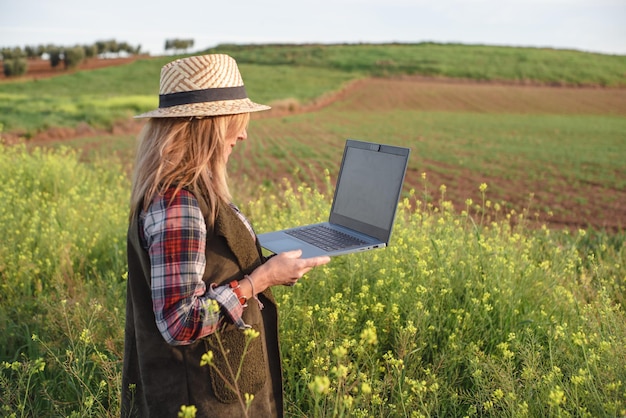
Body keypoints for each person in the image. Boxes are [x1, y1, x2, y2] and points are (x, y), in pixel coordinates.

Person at [122, 54, 331, 417]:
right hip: (201, 398)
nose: (244, 134)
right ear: (208, 125)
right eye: (236, 122)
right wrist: (260, 279)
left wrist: (271, 267)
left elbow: (213, 269)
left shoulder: (196, 190)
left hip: (222, 383)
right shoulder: (178, 204)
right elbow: (180, 322)